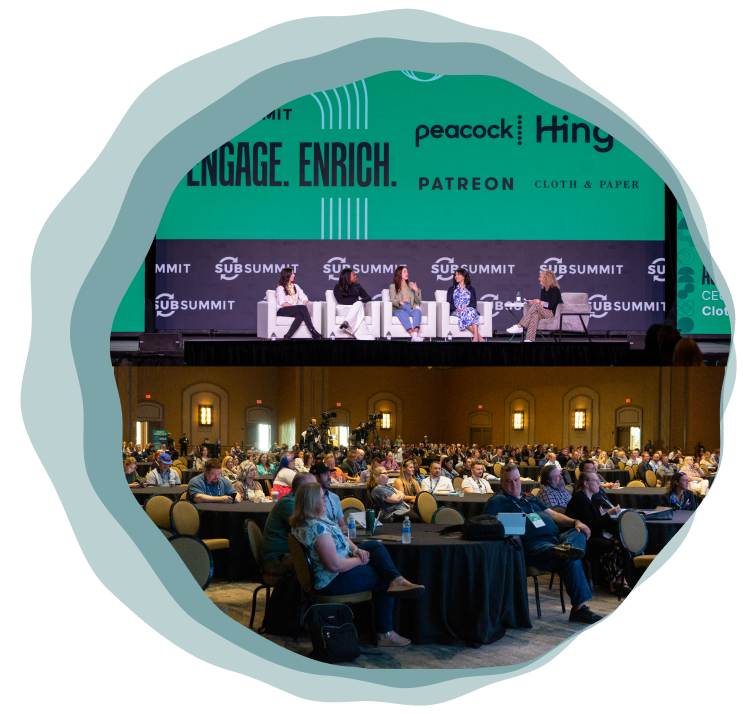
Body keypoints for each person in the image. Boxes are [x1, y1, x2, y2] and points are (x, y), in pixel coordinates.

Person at [290, 482, 424, 646]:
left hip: (339, 566)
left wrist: (355, 551)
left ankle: (398, 579)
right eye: (322, 497)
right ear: (311, 501)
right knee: (383, 578)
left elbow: (342, 536)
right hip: (333, 580)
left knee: (374, 546)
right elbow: (335, 566)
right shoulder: (316, 529)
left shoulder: (313, 519)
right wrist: (359, 561)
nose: (326, 500)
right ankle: (385, 632)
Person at [483, 464, 602, 624]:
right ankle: (579, 609)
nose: (514, 484)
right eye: (509, 481)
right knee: (568, 558)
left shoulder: (529, 497)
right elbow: (489, 522)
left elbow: (553, 514)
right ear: (502, 482)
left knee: (578, 531)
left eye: (517, 480)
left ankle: (567, 548)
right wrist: (521, 522)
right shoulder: (498, 500)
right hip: (532, 545)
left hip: (554, 539)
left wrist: (574, 522)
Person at [565, 472, 631, 597]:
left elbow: (599, 523)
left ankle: (619, 581)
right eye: (595, 481)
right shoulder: (580, 499)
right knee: (610, 545)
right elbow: (590, 525)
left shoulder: (593, 498)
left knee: (619, 541)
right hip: (582, 537)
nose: (598, 483)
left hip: (593, 534)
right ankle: (614, 583)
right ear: (586, 483)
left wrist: (617, 531)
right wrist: (608, 514)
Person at [261, 472, 318, 576]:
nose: (318, 490)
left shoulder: (298, 502)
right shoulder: (288, 503)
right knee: (320, 559)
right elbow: (308, 529)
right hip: (277, 560)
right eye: (313, 487)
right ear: (302, 488)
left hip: (289, 554)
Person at [506, 269, 563, 343]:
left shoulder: (555, 290)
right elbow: (543, 305)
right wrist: (533, 301)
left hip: (553, 313)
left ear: (546, 278)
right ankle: (529, 339)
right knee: (535, 315)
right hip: (545, 312)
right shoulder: (543, 289)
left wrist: (538, 302)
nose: (539, 279)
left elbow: (551, 305)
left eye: (540, 277)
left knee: (536, 305)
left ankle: (520, 326)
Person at [274, 267, 322, 340]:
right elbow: (283, 303)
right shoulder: (280, 288)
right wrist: (298, 308)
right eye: (292, 274)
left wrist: (302, 308)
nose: (294, 275)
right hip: (282, 310)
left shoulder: (296, 287)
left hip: (294, 310)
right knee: (301, 309)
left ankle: (287, 336)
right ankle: (312, 330)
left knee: (300, 314)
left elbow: (305, 299)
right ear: (287, 276)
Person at [333, 268, 375, 340]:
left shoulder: (357, 286)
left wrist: (359, 301)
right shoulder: (338, 286)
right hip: (343, 308)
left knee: (359, 304)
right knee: (359, 317)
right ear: (348, 276)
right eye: (354, 275)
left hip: (356, 308)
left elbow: (368, 297)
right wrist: (354, 302)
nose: (356, 277)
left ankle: (347, 322)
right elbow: (340, 300)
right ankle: (369, 338)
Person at [445, 268, 483, 342]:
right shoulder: (451, 289)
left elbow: (473, 303)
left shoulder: (471, 289)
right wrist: (455, 308)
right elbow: (449, 302)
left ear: (464, 276)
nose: (456, 276)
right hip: (457, 311)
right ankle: (478, 337)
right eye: (455, 275)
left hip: (468, 310)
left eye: (458, 274)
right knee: (468, 313)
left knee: (470, 311)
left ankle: (475, 338)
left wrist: (467, 307)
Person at [389, 265, 424, 342]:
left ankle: (415, 334)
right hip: (399, 308)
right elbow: (392, 299)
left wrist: (416, 290)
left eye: (407, 272)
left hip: (409, 308)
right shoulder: (393, 286)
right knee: (402, 313)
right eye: (404, 272)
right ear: (399, 274)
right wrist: (399, 302)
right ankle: (413, 335)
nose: (406, 273)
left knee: (417, 311)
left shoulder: (411, 285)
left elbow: (418, 300)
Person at [314, 462, 347, 532]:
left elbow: (342, 525)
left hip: (339, 538)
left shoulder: (335, 497)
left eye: (330, 474)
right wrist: (338, 530)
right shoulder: (311, 500)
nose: (330, 478)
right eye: (325, 474)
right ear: (316, 477)